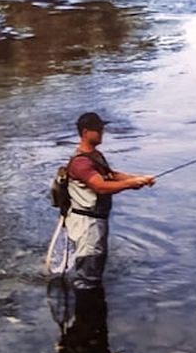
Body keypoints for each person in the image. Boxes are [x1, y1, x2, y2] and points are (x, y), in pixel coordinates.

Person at [62, 111, 155, 288]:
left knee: (95, 269)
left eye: (102, 127)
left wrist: (138, 178)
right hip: (87, 225)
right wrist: (130, 184)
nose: (102, 131)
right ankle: (86, 312)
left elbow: (111, 175)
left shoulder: (95, 156)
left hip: (97, 222)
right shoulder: (81, 163)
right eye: (98, 128)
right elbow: (100, 186)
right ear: (85, 132)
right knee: (87, 277)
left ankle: (92, 310)